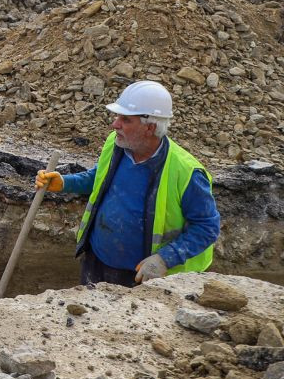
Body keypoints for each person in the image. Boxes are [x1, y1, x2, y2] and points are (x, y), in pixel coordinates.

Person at [36, 80, 221, 288]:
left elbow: (207, 227)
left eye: (125, 119)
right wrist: (64, 183)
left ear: (149, 127)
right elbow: (100, 178)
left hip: (143, 278)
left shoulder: (187, 172)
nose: (115, 124)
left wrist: (164, 258)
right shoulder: (116, 144)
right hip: (97, 262)